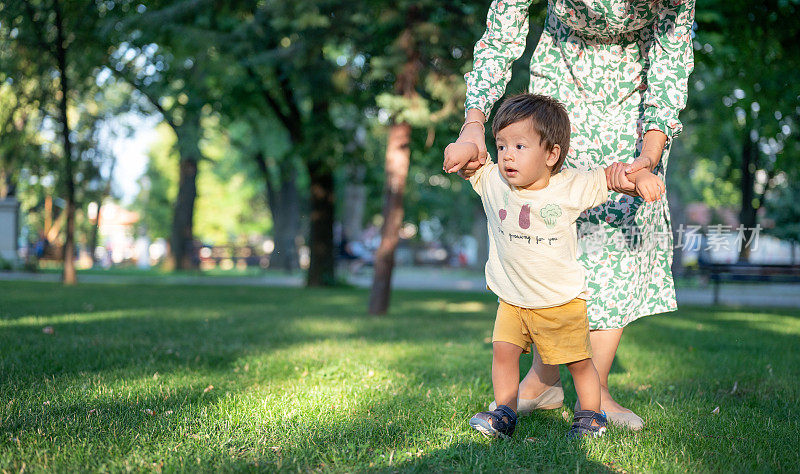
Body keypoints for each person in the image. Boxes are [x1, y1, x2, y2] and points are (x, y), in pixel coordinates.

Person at [453, 0, 695, 430]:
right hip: (559, 85)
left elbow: (672, 55)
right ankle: (545, 379)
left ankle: (594, 389)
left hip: (637, 101)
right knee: (549, 212)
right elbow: (503, 28)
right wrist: (475, 121)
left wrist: (651, 150)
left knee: (617, 227)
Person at [444, 93, 664, 439]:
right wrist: (460, 151)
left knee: (578, 362)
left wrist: (640, 178)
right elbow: (471, 165)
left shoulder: (569, 187)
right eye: (501, 146)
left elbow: (612, 177)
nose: (507, 155)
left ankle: (590, 415)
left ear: (551, 154)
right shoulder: (493, 181)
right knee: (503, 353)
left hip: (559, 301)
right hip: (512, 299)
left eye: (519, 145)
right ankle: (504, 413)